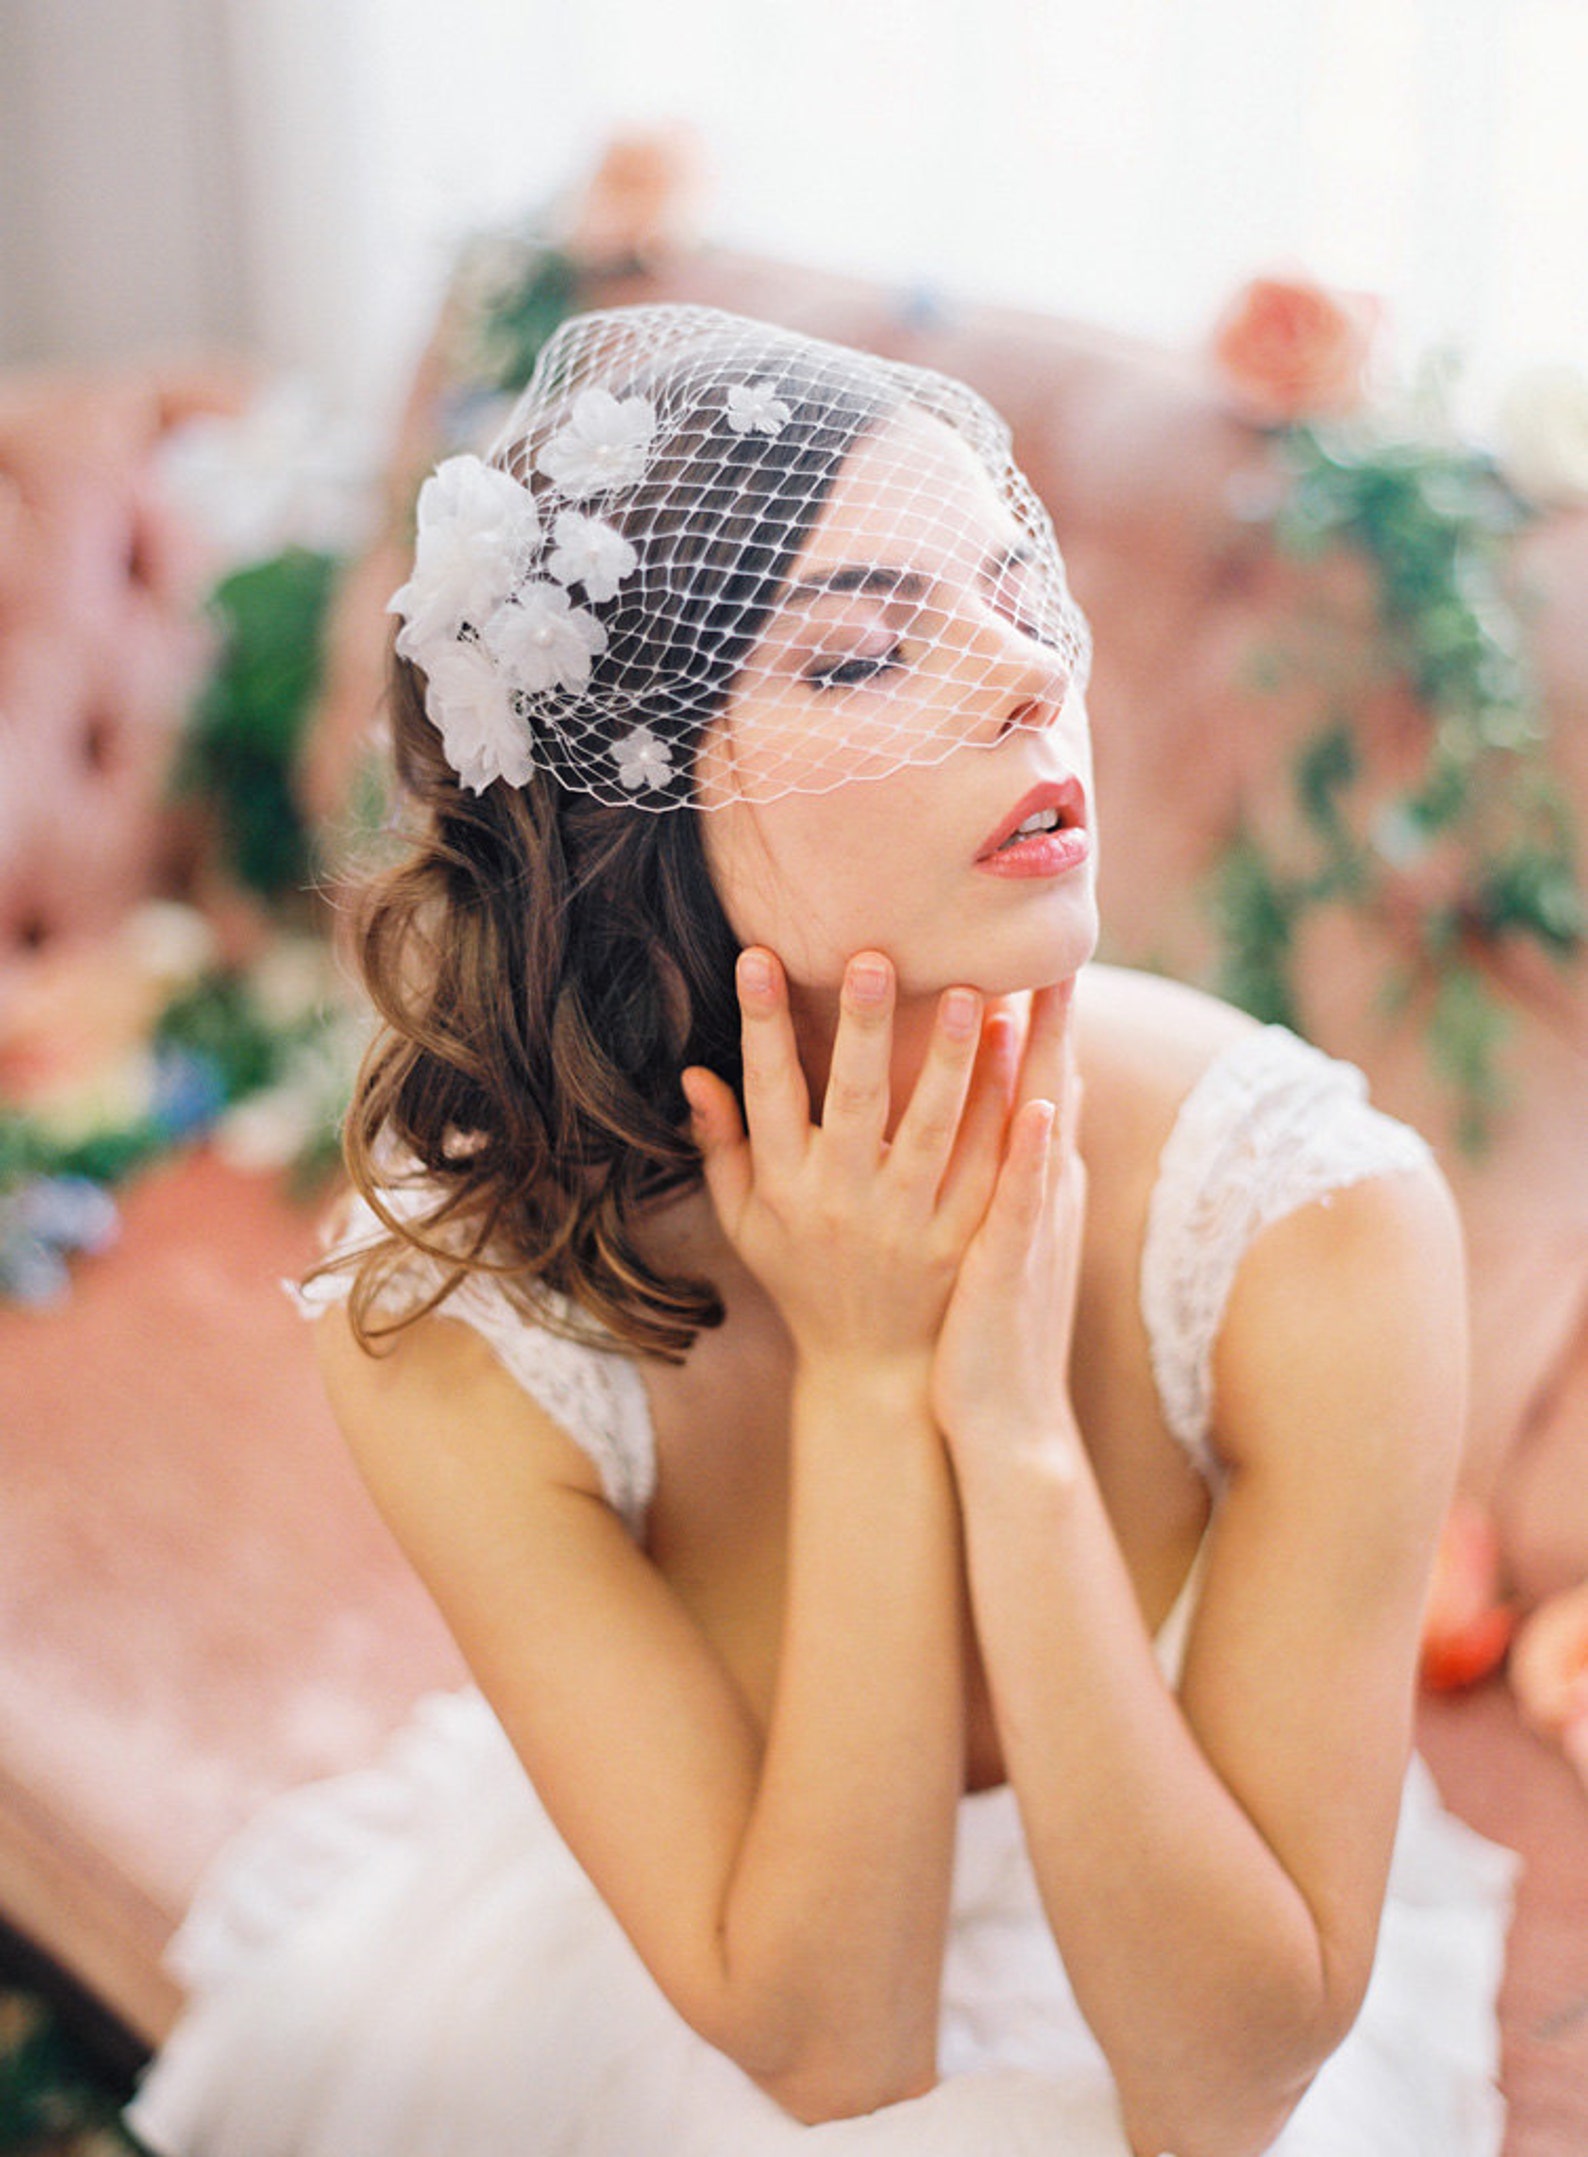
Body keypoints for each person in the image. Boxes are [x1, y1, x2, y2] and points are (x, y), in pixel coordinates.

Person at [127, 306, 1516, 2157]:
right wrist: (868, 1382)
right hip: (708, 1976)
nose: (1027, 675)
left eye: (1021, 593)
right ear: (635, 807)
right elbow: (834, 2049)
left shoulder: (1316, 1227)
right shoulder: (449, 1316)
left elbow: (1224, 2091)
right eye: (868, 655)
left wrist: (1006, 1434)